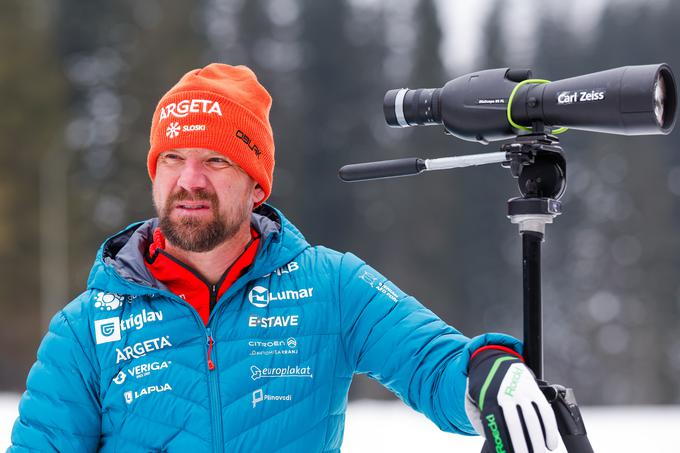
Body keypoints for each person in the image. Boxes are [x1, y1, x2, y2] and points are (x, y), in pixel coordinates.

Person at [9, 64, 560, 453]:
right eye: (172, 157)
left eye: (216, 160)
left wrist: (487, 370)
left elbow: (434, 363)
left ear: (256, 185)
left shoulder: (330, 286)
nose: (189, 180)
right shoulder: (85, 329)